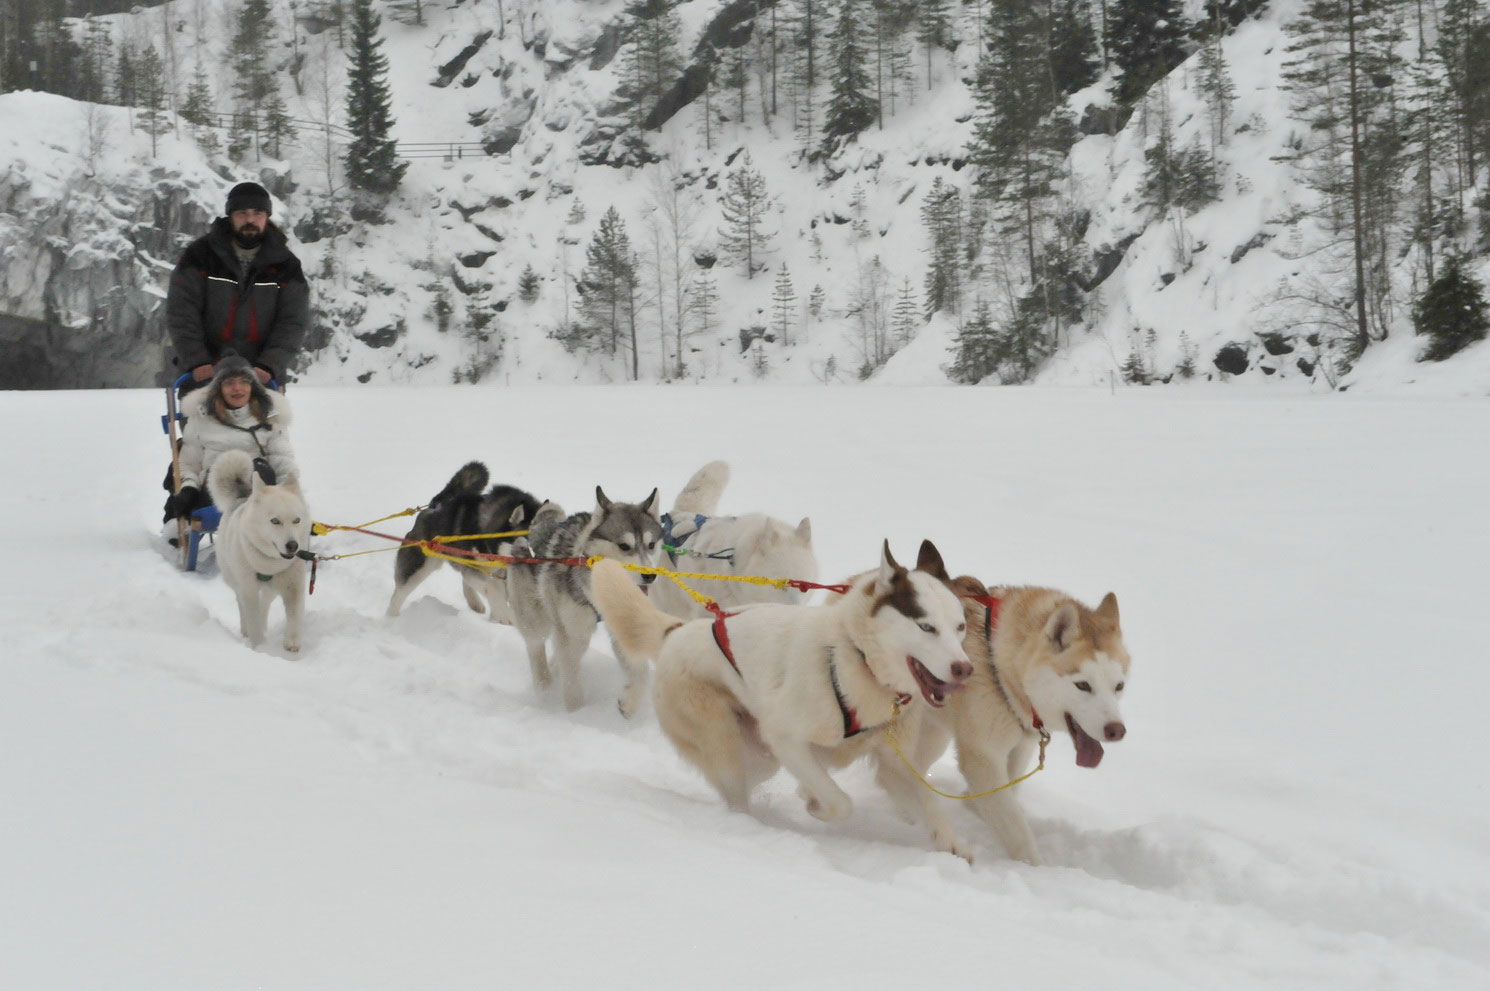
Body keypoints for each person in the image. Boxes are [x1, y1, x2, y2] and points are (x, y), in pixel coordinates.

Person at [166, 181, 310, 389]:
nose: (250, 219)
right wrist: (197, 360)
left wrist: (269, 365)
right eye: (242, 213)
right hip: (204, 374)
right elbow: (181, 312)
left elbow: (293, 321)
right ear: (230, 215)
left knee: (264, 422)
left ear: (267, 216)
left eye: (257, 212)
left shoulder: (286, 264)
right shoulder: (199, 255)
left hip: (261, 377)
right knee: (201, 422)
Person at [164, 353, 299, 528]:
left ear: (253, 386)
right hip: (214, 494)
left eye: (244, 381)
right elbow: (189, 464)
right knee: (227, 466)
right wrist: (189, 489)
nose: (238, 388)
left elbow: (283, 462)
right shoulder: (201, 419)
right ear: (218, 387)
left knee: (258, 468)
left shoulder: (270, 417)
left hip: (261, 493)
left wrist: (291, 498)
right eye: (229, 383)